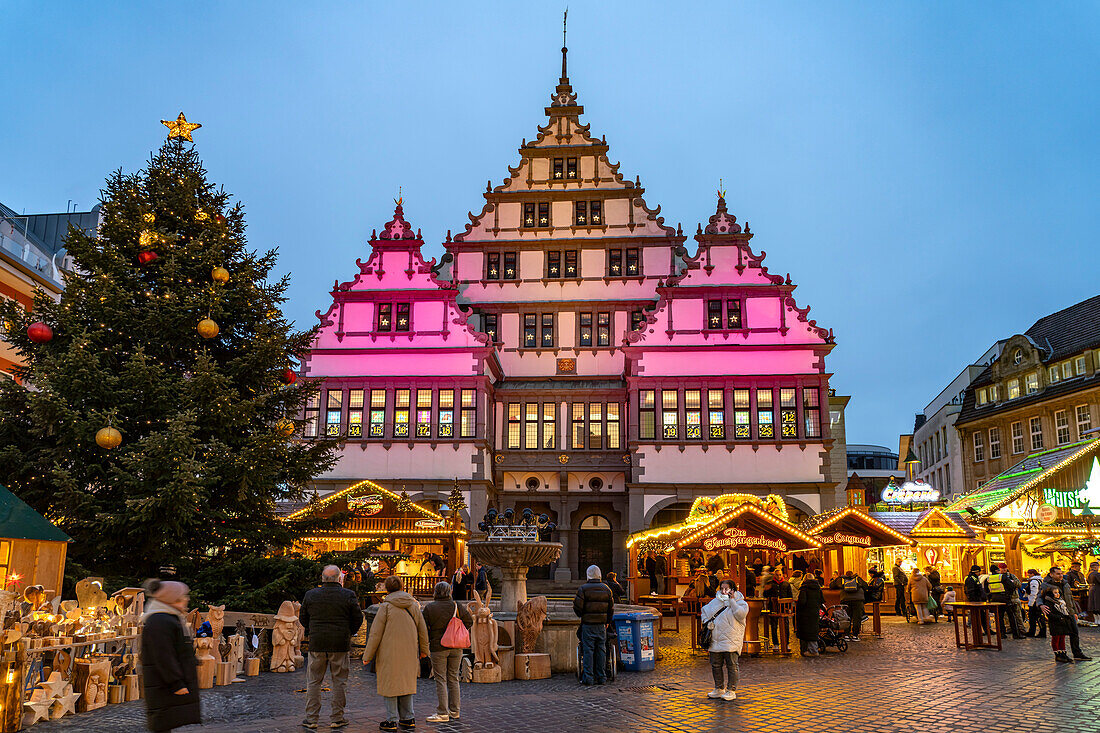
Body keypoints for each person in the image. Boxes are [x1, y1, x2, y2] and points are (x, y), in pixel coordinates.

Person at [300, 565, 365, 730]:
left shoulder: (311, 595)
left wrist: (311, 631)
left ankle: (311, 718)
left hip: (317, 643)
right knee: (339, 682)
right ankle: (337, 718)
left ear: (323, 578)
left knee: (314, 681)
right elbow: (358, 618)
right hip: (340, 643)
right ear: (339, 579)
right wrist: (349, 632)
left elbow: (303, 618)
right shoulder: (348, 595)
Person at [363, 576, 430, 732]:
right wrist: (424, 651)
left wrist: (367, 656)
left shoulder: (385, 607)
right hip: (409, 652)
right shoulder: (413, 605)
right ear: (401, 586)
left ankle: (391, 720)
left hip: (389, 653)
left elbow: (375, 634)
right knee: (406, 684)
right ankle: (408, 718)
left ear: (388, 588)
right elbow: (423, 630)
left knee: (390, 685)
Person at [141, 579, 200, 733]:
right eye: (182, 596)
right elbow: (163, 655)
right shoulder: (160, 620)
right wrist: (176, 683)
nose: (187, 599)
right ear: (172, 598)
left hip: (165, 684)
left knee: (165, 724)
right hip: (164, 684)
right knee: (162, 723)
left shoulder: (168, 618)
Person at [422, 581, 473, 724]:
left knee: (440, 679)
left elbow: (424, 629)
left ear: (435, 592)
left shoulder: (430, 608)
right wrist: (457, 631)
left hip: (438, 647)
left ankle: (442, 712)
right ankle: (455, 711)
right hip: (456, 646)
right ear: (449, 592)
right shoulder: (456, 606)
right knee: (453, 678)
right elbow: (469, 621)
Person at [700, 579, 749, 701]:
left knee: (732, 664)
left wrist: (732, 601)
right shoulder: (715, 602)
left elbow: (740, 615)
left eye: (726, 588)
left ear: (733, 589)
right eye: (722, 588)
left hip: (731, 639)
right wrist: (707, 622)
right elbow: (704, 611)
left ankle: (731, 690)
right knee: (716, 664)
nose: (724, 591)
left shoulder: (741, 603)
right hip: (715, 639)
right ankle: (718, 688)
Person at [573, 565, 614, 686]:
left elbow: (577, 607)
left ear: (588, 575)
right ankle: (601, 677)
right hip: (601, 625)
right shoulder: (607, 589)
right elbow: (611, 609)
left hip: (588, 624)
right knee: (601, 649)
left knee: (588, 650)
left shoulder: (583, 589)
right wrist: (607, 621)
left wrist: (582, 616)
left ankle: (588, 678)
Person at [1042, 566, 1092, 661]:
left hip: (1069, 612)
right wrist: (1041, 605)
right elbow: (1040, 597)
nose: (1061, 575)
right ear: (1051, 574)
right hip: (1057, 613)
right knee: (1059, 635)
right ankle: (1060, 654)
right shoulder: (1046, 585)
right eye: (1058, 574)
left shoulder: (1065, 583)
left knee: (1074, 633)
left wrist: (1075, 612)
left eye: (1061, 573)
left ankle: (1077, 653)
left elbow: (1070, 599)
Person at [984, 564, 1024, 639]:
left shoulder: (988, 578)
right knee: (1011, 616)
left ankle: (1002, 633)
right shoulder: (1002, 577)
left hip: (995, 599)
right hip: (1005, 598)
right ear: (997, 570)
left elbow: (986, 590)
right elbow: (1011, 586)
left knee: (999, 617)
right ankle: (1015, 634)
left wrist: (990, 598)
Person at [1040, 582, 1076, 663]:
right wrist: (1060, 617)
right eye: (1055, 593)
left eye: (1058, 592)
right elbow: (1049, 614)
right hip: (1055, 623)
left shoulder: (1060, 601)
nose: (1057, 594)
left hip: (1063, 623)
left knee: (1062, 639)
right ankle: (1057, 654)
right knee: (1056, 639)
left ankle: (1063, 653)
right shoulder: (1049, 602)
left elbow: (1065, 610)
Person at [795, 571, 824, 657]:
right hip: (814, 612)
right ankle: (812, 649)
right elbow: (821, 600)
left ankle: (812, 651)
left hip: (805, 613)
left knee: (805, 631)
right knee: (813, 631)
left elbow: (802, 602)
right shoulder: (818, 588)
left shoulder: (804, 589)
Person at [839, 570, 868, 640]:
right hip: (858, 600)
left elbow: (832, 585)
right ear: (853, 574)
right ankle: (855, 635)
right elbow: (866, 586)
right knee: (857, 618)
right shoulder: (857, 578)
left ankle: (846, 635)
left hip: (846, 600)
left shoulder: (842, 579)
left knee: (846, 618)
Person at [770, 570, 794, 646]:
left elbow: (790, 596)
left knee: (786, 626)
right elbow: (766, 594)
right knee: (774, 626)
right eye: (777, 575)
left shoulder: (786, 584)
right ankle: (775, 643)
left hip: (784, 608)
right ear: (774, 575)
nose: (779, 576)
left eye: (780, 575)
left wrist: (789, 607)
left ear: (782, 575)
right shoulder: (771, 584)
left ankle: (786, 643)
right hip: (773, 608)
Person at [1024, 569, 1047, 638]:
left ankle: (1034, 632)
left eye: (1030, 574)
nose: (1028, 575)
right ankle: (1040, 632)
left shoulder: (1034, 581)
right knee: (1038, 617)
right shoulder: (1039, 580)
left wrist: (1031, 603)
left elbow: (1034, 593)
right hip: (1038, 601)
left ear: (1033, 574)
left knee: (1033, 618)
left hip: (1034, 602)